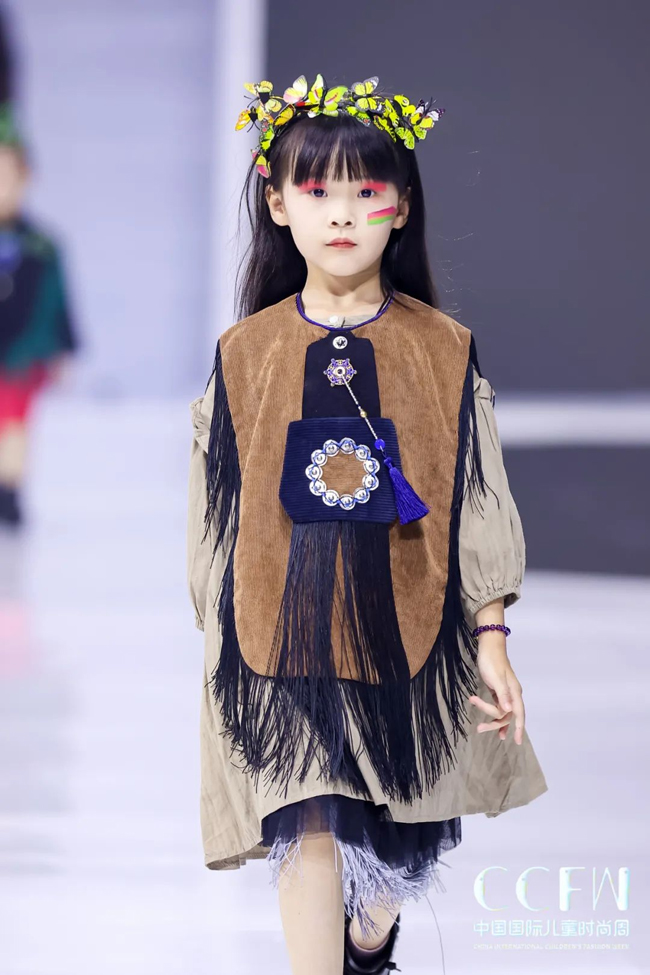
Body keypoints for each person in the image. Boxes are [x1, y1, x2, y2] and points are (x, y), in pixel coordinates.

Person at [186, 73, 548, 975]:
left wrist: (492, 635)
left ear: (401, 206)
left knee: (399, 842)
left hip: (408, 628)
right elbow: (215, 506)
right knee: (307, 818)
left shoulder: (442, 348)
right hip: (282, 630)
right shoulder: (245, 352)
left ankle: (367, 942)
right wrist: (217, 625)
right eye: (317, 191)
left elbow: (477, 493)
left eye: (366, 191)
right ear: (277, 203)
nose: (342, 213)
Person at [0, 101, 78, 526]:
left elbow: (57, 301)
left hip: (22, 351)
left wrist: (62, 349)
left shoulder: (41, 246)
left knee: (14, 420)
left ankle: (9, 492)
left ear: (24, 177)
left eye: (7, 176)